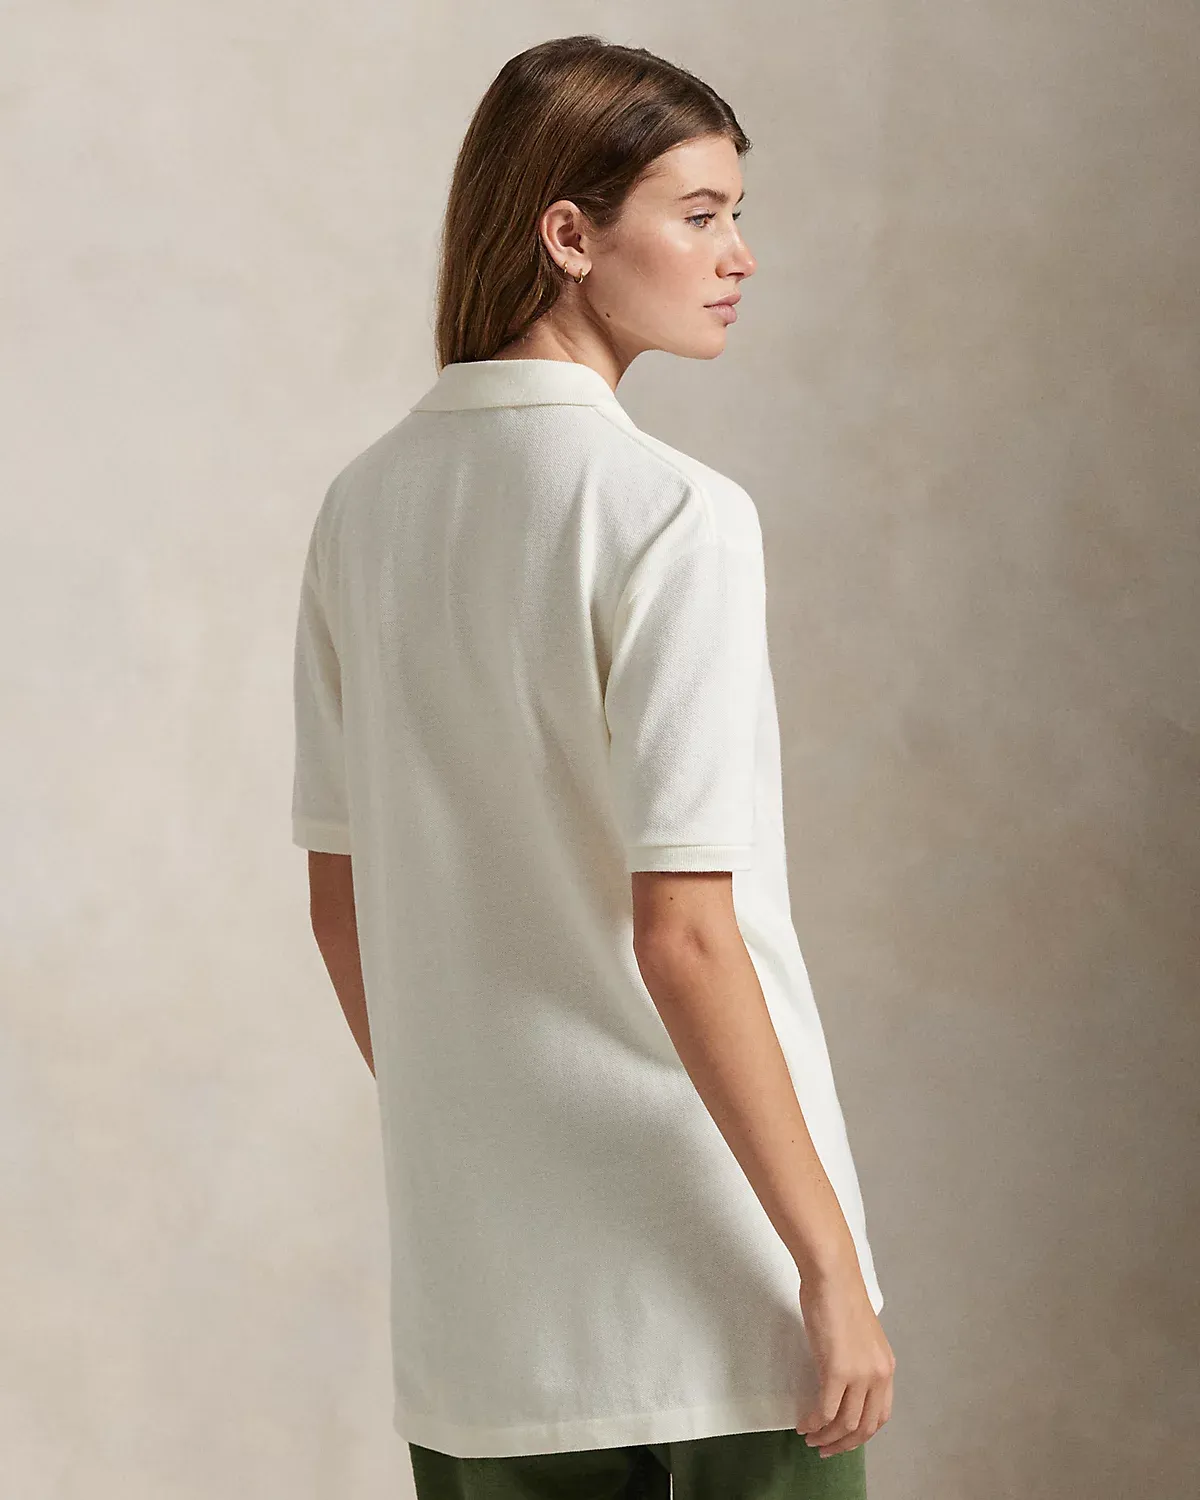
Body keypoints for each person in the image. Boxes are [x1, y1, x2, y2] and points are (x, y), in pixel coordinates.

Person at [291, 33, 895, 1500]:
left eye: (737, 213)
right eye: (700, 213)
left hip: (486, 1292)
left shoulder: (363, 511)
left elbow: (339, 899)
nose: (740, 254)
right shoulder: (673, 513)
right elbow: (685, 934)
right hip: (717, 1254)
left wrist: (477, 1126)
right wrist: (829, 1266)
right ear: (570, 234)